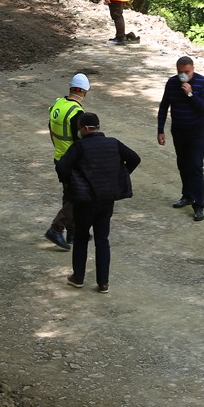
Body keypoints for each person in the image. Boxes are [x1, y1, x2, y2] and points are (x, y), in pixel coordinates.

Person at [55, 112, 139, 293]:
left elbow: (62, 166)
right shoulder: (113, 143)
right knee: (102, 239)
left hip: (85, 201)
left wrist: (71, 183)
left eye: (79, 128)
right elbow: (134, 158)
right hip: (106, 200)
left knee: (81, 237)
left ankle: (78, 277)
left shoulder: (80, 146)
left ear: (85, 128)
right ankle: (103, 283)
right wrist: (119, 176)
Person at [157, 55, 204, 221]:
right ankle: (187, 195)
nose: (183, 75)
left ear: (193, 69)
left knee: (195, 166)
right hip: (179, 130)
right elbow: (164, 106)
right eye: (180, 72)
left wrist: (190, 94)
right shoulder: (172, 83)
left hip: (197, 131)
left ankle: (198, 205)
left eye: (187, 72)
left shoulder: (202, 82)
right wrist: (160, 130)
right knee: (183, 164)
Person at [44, 73, 91, 251]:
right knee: (78, 197)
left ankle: (73, 232)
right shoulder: (76, 112)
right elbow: (80, 141)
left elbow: (50, 129)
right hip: (72, 161)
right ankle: (56, 229)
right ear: (85, 92)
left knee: (69, 194)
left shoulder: (58, 104)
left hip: (59, 157)